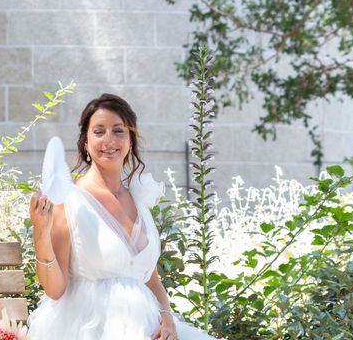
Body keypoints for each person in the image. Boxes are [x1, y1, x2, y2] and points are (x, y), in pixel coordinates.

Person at [27, 93, 217, 339]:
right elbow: (55, 290)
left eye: (118, 131)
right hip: (91, 327)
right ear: (85, 141)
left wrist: (168, 320)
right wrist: (41, 231)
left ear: (131, 140)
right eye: (98, 131)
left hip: (149, 326)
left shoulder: (138, 197)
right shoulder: (70, 201)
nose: (109, 140)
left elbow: (151, 278)